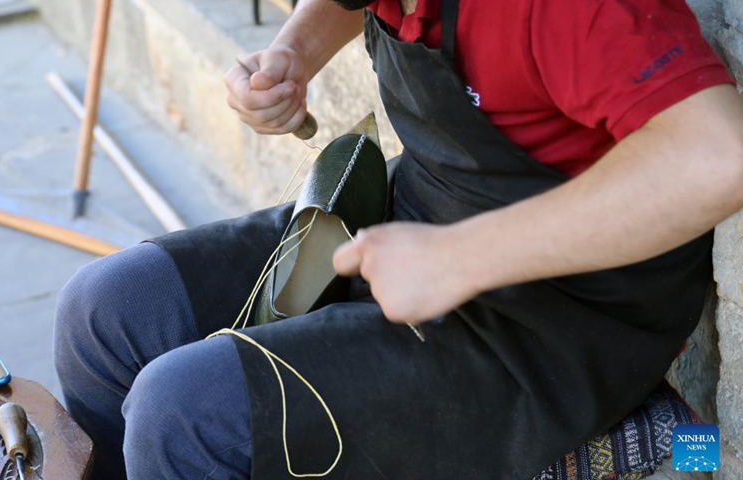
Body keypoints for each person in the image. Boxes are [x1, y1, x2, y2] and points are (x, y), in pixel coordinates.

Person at [54, 0, 743, 478]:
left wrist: (463, 256)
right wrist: (293, 52)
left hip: (551, 320)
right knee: (107, 309)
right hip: (423, 211)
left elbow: (717, 157)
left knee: (184, 412)